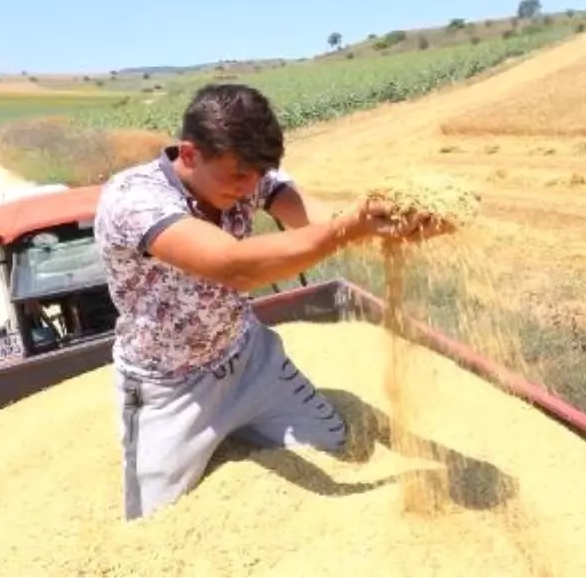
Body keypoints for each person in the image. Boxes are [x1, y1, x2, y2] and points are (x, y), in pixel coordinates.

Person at [93, 82, 444, 521]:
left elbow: (317, 222)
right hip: (170, 387)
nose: (249, 189)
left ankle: (249, 417)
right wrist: (345, 230)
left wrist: (381, 223)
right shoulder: (134, 200)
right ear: (188, 154)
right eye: (238, 176)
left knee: (339, 442)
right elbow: (232, 266)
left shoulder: (249, 175)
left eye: (259, 175)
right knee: (154, 517)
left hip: (249, 359)